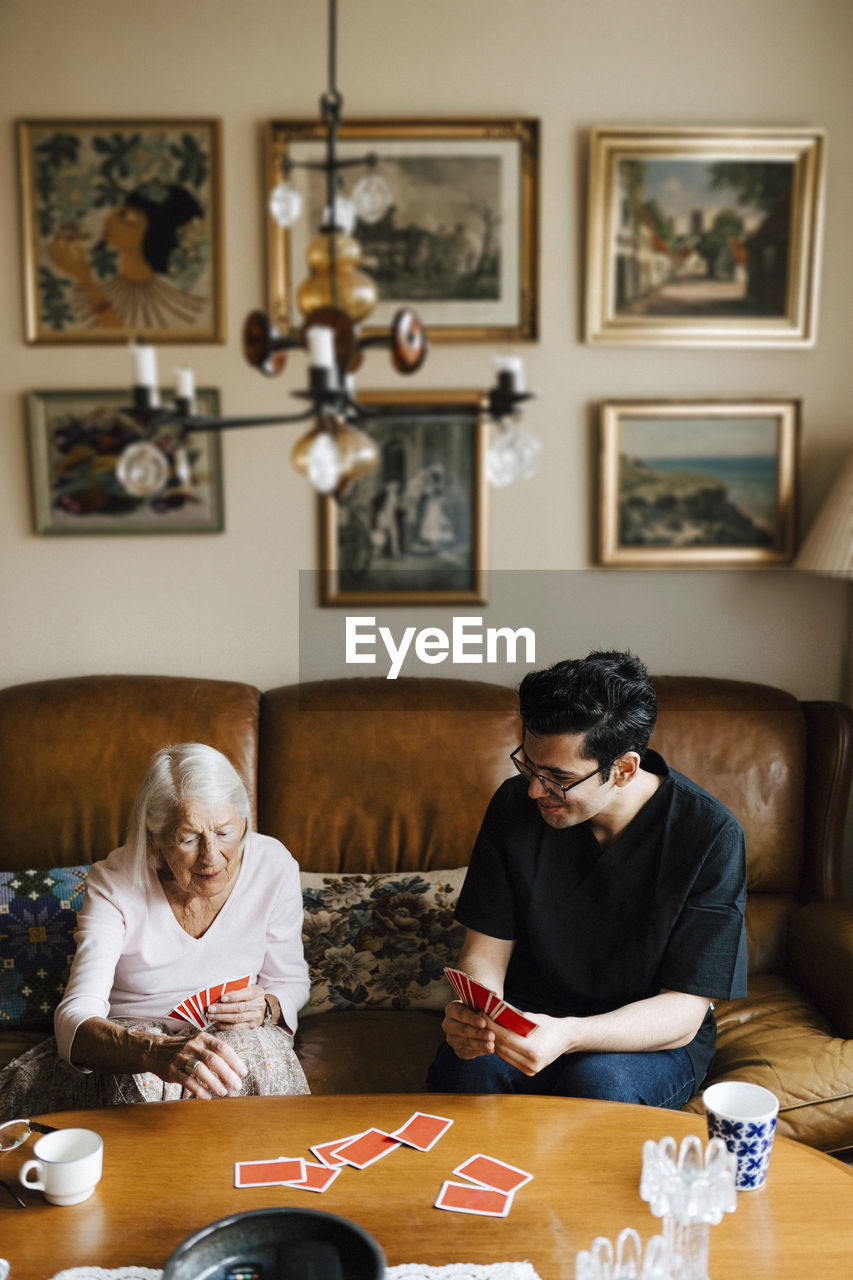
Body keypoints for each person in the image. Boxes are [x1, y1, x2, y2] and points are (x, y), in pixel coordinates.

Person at [427, 650, 747, 1109]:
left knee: (600, 1088)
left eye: (558, 778)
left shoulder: (709, 834)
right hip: (529, 1015)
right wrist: (480, 1017)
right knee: (465, 1073)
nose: (536, 790)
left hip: (642, 1034)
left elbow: (682, 1009)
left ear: (624, 769)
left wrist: (571, 1035)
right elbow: (484, 951)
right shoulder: (515, 805)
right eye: (529, 766)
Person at [0, 743, 310, 1117]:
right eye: (188, 838)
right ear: (156, 838)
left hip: (230, 1033)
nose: (211, 856)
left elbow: (290, 981)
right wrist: (151, 1051)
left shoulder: (273, 865)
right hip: (136, 1041)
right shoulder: (113, 884)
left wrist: (268, 1007)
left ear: (244, 821)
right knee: (145, 1079)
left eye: (225, 832)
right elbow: (75, 1017)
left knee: (255, 1052)